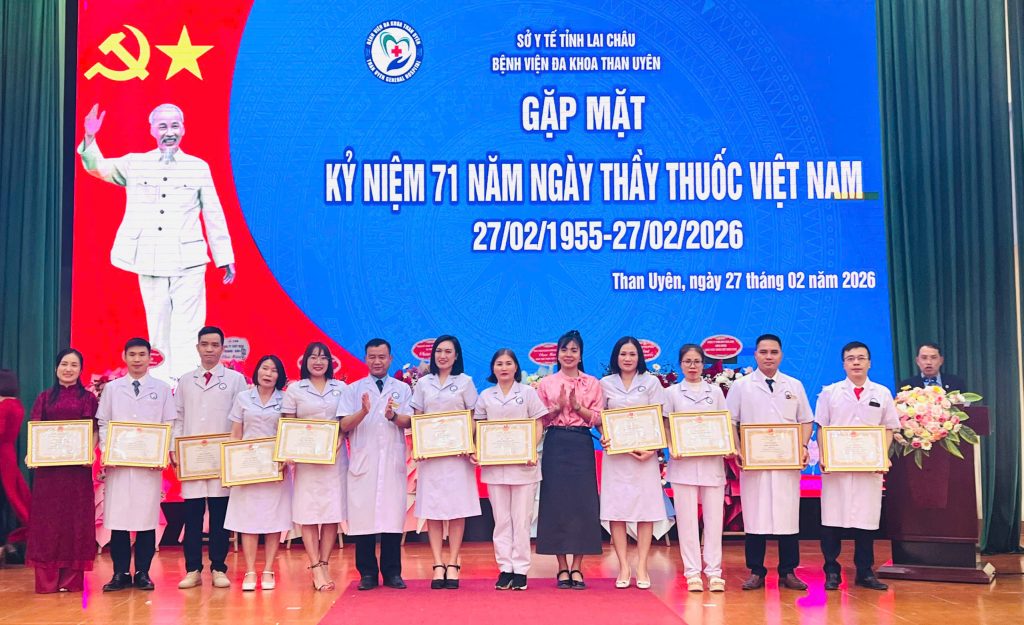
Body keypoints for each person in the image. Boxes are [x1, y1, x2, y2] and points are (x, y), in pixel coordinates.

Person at [77, 103, 236, 381]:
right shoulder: (135, 163)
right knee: (158, 325)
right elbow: (97, 167)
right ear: (152, 130)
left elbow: (214, 213)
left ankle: (186, 384)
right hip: (150, 259)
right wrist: (90, 137)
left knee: (189, 327)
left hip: (189, 260)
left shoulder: (197, 167)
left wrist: (225, 257)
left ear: (183, 129)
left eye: (175, 125)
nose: (169, 132)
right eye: (162, 126)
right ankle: (162, 386)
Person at [726, 333, 813, 591]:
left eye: (773, 352)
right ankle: (756, 571)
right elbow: (730, 420)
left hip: (786, 463)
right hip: (755, 462)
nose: (768, 357)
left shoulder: (794, 385)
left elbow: (806, 420)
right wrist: (737, 447)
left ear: (781, 355)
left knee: (788, 517)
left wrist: (803, 446)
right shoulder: (742, 386)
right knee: (756, 516)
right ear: (755, 355)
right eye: (763, 352)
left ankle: (788, 571)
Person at [816, 341, 898, 591]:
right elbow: (822, 427)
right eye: (850, 359)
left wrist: (882, 456)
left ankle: (865, 571)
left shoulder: (881, 393)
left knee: (866, 520)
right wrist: (824, 456)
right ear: (843, 364)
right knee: (832, 520)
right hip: (837, 467)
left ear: (869, 363)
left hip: (868, 467)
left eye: (861, 358)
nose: (856, 363)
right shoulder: (830, 392)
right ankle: (832, 571)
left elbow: (889, 428)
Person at [96, 338, 177, 592]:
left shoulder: (162, 389)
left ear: (150, 358)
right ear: (124, 356)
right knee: (118, 520)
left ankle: (143, 572)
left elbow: (169, 424)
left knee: (146, 520)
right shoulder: (112, 389)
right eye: (132, 354)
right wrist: (108, 451)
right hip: (119, 465)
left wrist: (162, 453)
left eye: (142, 354)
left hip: (148, 466)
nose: (137, 359)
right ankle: (119, 573)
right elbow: (103, 423)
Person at [172, 326, 247, 590]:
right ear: (197, 347)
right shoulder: (185, 380)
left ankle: (218, 567)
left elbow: (241, 418)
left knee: (219, 515)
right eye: (205, 344)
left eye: (215, 345)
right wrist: (174, 447)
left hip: (221, 458)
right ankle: (192, 569)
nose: (209, 350)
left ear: (222, 349)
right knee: (192, 516)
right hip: (192, 458)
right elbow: (178, 417)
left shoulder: (236, 380)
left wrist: (236, 451)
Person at [338, 338, 413, 591]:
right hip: (364, 462)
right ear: (365, 358)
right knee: (363, 519)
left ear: (390, 359)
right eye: (372, 357)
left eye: (382, 357)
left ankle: (392, 573)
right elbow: (343, 425)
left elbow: (410, 421)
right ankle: (367, 573)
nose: (377, 361)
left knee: (392, 518)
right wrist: (363, 411)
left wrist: (393, 416)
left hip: (391, 462)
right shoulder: (353, 389)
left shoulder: (402, 389)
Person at [25, 350, 99, 593]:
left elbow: (94, 430)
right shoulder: (44, 397)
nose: (68, 369)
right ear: (56, 368)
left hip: (77, 473)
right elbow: (36, 428)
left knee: (75, 522)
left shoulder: (89, 398)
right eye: (64, 364)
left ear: (80, 370)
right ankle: (46, 581)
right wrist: (32, 453)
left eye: (74, 365)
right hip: (49, 473)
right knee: (47, 523)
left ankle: (71, 580)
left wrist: (90, 452)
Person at [535, 330, 604, 590]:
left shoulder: (592, 383)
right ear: (557, 354)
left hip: (580, 442)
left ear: (581, 354)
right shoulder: (547, 383)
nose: (569, 354)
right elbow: (539, 419)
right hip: (555, 443)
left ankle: (578, 567)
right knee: (556, 504)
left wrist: (577, 408)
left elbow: (598, 418)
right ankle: (562, 567)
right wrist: (556, 408)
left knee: (582, 505)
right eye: (564, 350)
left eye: (574, 350)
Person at [410, 335, 480, 590]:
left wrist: (468, 442)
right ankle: (438, 562)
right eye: (439, 351)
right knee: (434, 508)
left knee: (457, 508)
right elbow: (417, 417)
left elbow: (474, 415)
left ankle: (453, 562)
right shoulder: (423, 383)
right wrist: (419, 446)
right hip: (431, 457)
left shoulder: (465, 382)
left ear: (456, 355)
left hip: (457, 456)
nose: (442, 356)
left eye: (448, 351)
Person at [473, 348, 546, 591]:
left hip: (523, 466)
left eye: (508, 363)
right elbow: (479, 426)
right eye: (499, 364)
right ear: (493, 368)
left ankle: (521, 569)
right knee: (502, 520)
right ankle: (505, 568)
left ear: (516, 367)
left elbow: (538, 423)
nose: (503, 368)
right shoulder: (486, 395)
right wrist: (477, 449)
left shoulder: (527, 393)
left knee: (522, 520)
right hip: (495, 467)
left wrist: (531, 449)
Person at [598, 336, 666, 590]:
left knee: (645, 510)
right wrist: (605, 435)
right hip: (616, 457)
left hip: (644, 457)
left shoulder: (651, 382)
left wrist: (653, 448)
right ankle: (624, 566)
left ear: (640, 357)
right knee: (617, 510)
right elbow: (600, 419)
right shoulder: (605, 383)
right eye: (623, 354)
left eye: (632, 354)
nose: (627, 358)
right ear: (616, 357)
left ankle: (642, 566)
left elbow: (660, 418)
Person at [281, 342, 348, 592]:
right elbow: (288, 424)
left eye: (323, 357)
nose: (318, 362)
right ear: (305, 361)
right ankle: (315, 566)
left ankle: (325, 563)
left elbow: (345, 422)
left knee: (331, 511)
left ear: (330, 362)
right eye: (313, 357)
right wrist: (289, 450)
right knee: (308, 511)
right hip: (307, 461)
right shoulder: (295, 389)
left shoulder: (340, 388)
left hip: (334, 458)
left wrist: (341, 438)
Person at [223, 355, 292, 591]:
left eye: (274, 370)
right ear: (257, 371)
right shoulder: (243, 397)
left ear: (279, 375)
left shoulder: (286, 399)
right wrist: (232, 465)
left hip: (275, 468)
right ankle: (251, 571)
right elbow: (236, 433)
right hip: (247, 468)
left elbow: (289, 432)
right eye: (265, 368)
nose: (268, 373)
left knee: (274, 519)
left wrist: (285, 457)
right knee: (248, 520)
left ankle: (269, 569)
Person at [664, 344, 730, 593]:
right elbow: (666, 425)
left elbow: (724, 423)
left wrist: (726, 445)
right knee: (687, 521)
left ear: (703, 364)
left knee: (714, 520)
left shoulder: (716, 392)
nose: (692, 366)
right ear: (681, 364)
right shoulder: (671, 393)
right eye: (687, 361)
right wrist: (672, 446)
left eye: (697, 361)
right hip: (683, 464)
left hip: (712, 463)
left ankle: (714, 572)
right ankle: (692, 572)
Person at [0, 370, 30, 554]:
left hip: (1, 455)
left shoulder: (4, 406)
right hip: (8, 454)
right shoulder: (17, 404)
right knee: (9, 498)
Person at [898, 343, 967, 393]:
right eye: (924, 358)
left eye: (933, 358)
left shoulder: (956, 382)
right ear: (917, 361)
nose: (929, 362)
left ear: (941, 360)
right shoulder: (906, 386)